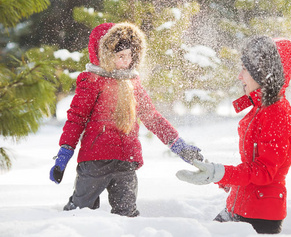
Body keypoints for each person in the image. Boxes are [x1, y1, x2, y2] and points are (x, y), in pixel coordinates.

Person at [49, 22, 203, 217]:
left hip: (126, 162)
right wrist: (64, 153)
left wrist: (178, 145)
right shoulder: (92, 81)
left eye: (130, 55)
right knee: (80, 212)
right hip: (95, 162)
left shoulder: (133, 84)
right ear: (106, 55)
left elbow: (153, 118)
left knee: (127, 214)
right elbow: (76, 119)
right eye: (121, 56)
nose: (127, 61)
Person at [176, 36, 291, 234]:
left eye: (245, 70)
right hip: (241, 206)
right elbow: (252, 166)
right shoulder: (261, 108)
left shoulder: (276, 114)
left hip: (259, 216)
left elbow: (264, 172)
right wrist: (221, 176)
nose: (240, 76)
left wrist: (221, 172)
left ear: (263, 75)